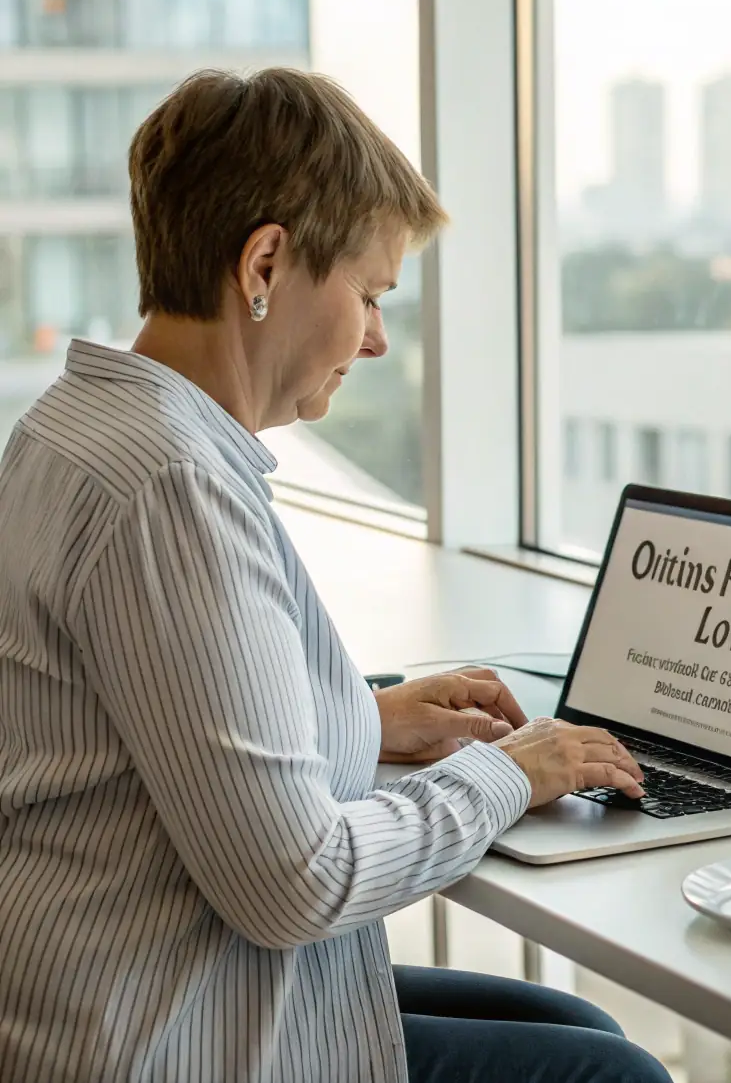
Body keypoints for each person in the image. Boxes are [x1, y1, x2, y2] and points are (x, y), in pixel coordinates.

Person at [0, 69, 671, 1083]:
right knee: (611, 1076)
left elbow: (145, 715)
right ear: (264, 262)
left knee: (579, 1033)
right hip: (156, 1032)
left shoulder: (76, 426)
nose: (375, 337)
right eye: (368, 292)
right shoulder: (172, 486)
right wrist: (514, 771)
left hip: (101, 982)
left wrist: (369, 716)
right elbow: (296, 884)